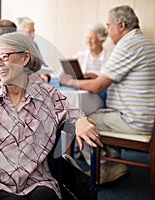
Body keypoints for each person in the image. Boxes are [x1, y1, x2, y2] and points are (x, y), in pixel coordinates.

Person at [0, 32, 102, 200]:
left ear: (25, 59)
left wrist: (81, 121)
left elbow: (73, 114)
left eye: (4, 57)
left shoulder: (48, 95)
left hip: (37, 181)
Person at [60, 5, 155, 184]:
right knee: (98, 114)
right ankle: (113, 163)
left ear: (121, 25)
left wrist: (69, 82)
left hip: (133, 121)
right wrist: (99, 78)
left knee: (80, 120)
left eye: (108, 25)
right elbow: (116, 79)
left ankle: (104, 166)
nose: (107, 30)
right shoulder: (145, 43)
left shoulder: (127, 45)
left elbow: (97, 87)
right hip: (145, 117)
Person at [16, 16, 52, 82]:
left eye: (33, 31)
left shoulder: (34, 44)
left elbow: (43, 65)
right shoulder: (14, 47)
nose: (33, 35)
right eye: (29, 32)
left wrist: (45, 75)